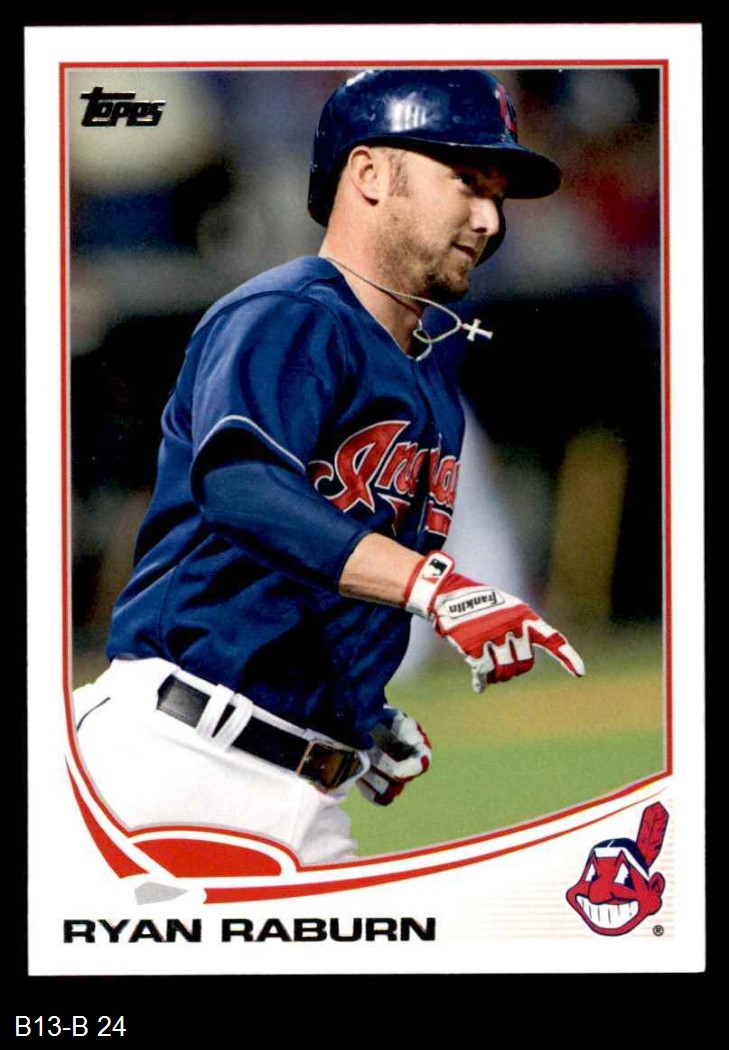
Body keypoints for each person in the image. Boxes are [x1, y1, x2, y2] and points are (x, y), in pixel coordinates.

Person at [73, 68, 584, 867]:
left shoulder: (428, 384)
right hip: (173, 761)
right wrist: (437, 589)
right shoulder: (288, 314)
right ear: (370, 173)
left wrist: (355, 715)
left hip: (296, 794)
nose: (489, 218)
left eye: (496, 194)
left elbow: (319, 575)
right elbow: (240, 485)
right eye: (464, 181)